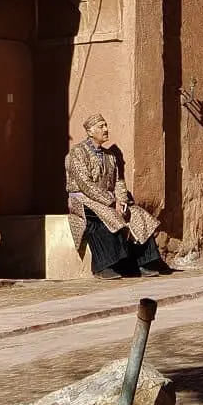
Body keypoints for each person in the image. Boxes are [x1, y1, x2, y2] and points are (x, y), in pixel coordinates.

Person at [65, 114, 165, 280]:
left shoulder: (110, 156)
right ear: (90, 131)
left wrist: (122, 201)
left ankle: (143, 262)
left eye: (106, 125)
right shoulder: (78, 152)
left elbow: (118, 181)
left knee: (137, 215)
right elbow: (85, 184)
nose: (106, 129)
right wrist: (112, 202)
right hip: (83, 199)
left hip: (107, 200)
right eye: (101, 126)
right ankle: (104, 266)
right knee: (109, 218)